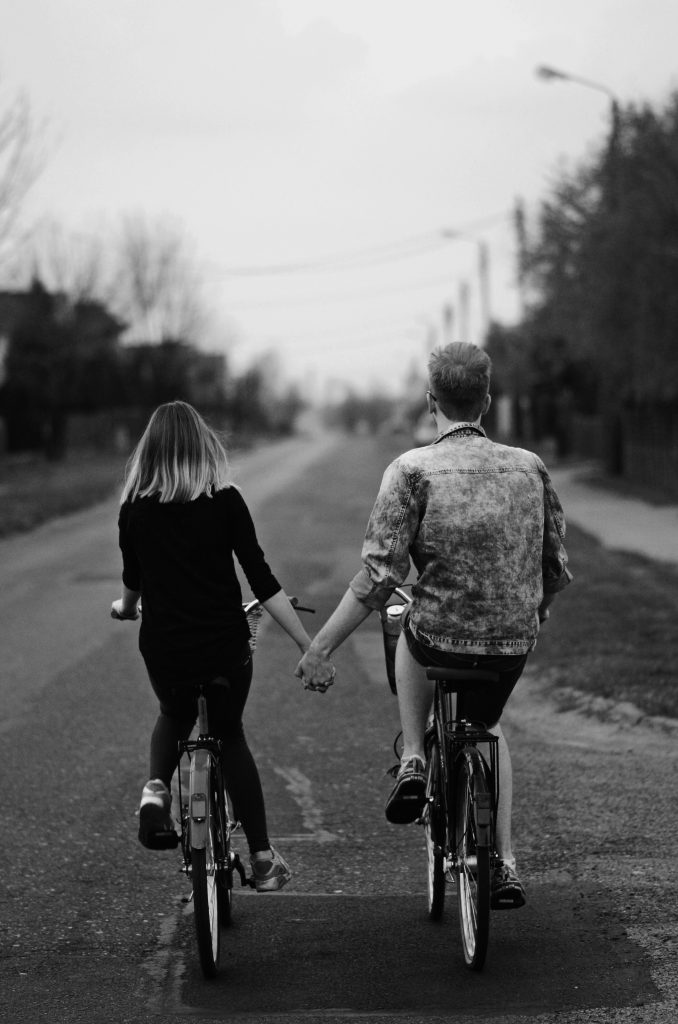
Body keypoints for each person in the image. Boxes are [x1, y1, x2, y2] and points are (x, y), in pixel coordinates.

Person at [297, 342, 572, 908]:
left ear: (431, 402)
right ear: (487, 400)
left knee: (407, 622)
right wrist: (533, 611)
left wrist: (321, 646)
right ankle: (503, 863)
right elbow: (554, 567)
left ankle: (415, 757)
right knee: (490, 729)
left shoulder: (411, 470)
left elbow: (377, 580)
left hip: (441, 636)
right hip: (511, 641)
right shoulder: (530, 466)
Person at [112, 400, 313, 892]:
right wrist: (310, 646)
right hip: (224, 646)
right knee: (229, 734)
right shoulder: (226, 500)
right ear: (205, 446)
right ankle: (263, 861)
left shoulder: (134, 510)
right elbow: (262, 581)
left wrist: (123, 608)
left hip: (165, 648)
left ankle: (156, 790)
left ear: (150, 452)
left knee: (172, 712)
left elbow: (132, 587)